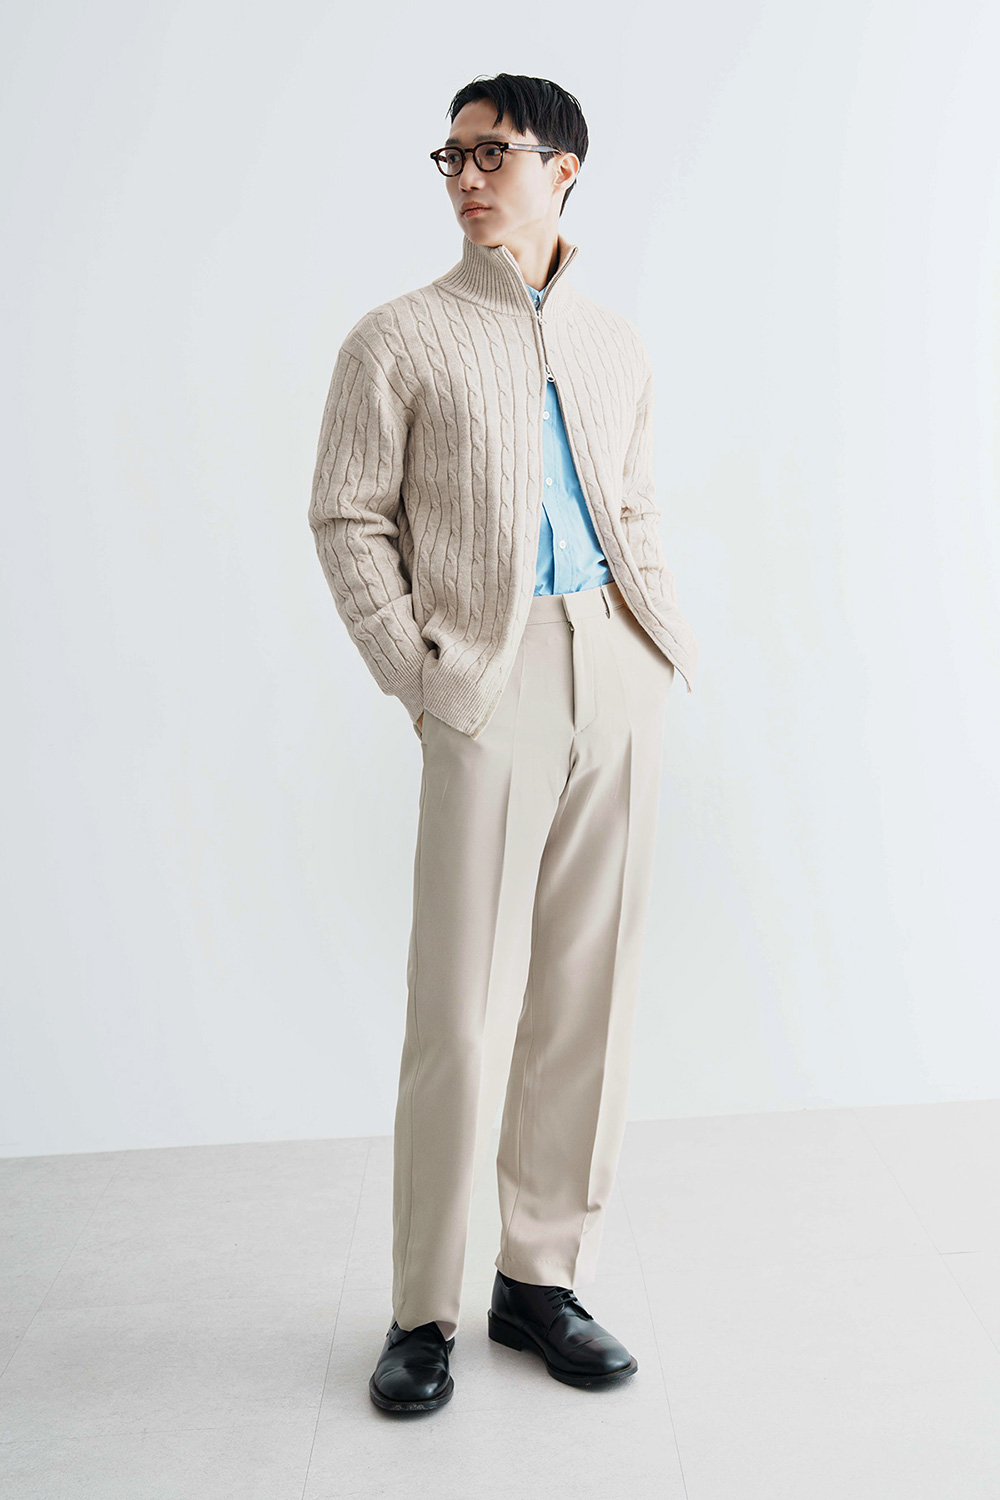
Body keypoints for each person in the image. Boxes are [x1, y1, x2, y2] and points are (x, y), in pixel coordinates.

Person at [308, 72, 699, 1413]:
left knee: (588, 991)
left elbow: (633, 505)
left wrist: (654, 643)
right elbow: (347, 517)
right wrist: (418, 676)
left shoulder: (615, 343)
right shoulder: (399, 338)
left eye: (494, 153)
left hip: (616, 663)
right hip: (484, 671)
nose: (468, 177)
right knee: (460, 1011)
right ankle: (422, 1308)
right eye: (452, 157)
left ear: (564, 167)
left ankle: (541, 1281)